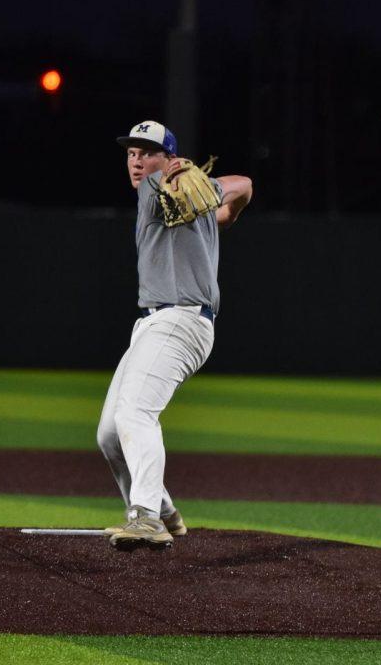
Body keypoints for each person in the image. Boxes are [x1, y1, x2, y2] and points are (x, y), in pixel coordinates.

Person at [97, 120, 253, 549]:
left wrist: (204, 189)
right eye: (131, 153)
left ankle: (145, 517)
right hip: (154, 324)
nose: (136, 161)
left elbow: (240, 182)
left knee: (135, 415)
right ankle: (163, 509)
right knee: (110, 433)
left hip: (181, 319)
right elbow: (244, 186)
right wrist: (225, 214)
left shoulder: (160, 185)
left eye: (146, 152)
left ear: (169, 158)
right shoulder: (186, 198)